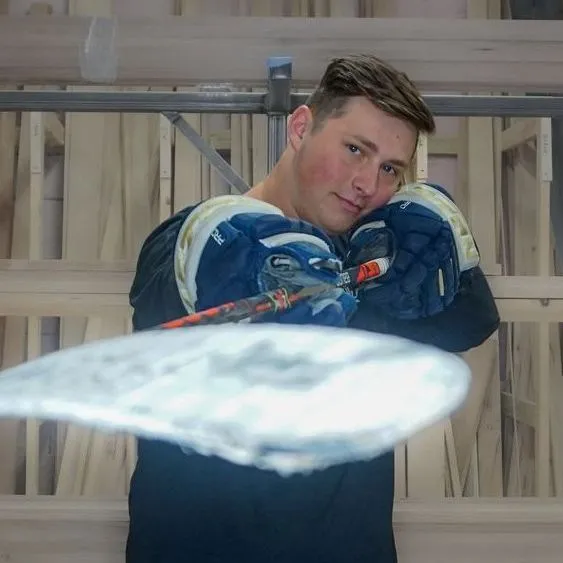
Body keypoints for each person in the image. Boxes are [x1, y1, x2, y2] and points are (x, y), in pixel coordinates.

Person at [125, 54, 500, 562]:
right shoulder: (190, 247)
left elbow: (470, 321)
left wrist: (441, 235)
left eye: (389, 169)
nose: (368, 183)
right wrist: (249, 263)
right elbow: (183, 282)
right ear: (301, 128)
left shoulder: (365, 268)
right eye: (355, 149)